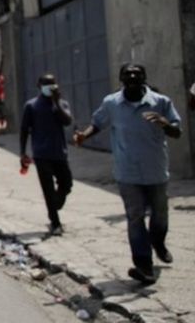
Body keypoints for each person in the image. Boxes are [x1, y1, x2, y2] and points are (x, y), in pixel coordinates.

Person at [73, 64, 183, 285]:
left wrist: (164, 123)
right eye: (128, 73)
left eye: (137, 73)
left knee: (160, 216)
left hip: (156, 171)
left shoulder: (160, 102)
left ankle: (158, 243)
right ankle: (144, 266)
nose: (132, 76)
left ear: (144, 77)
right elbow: (97, 123)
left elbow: (177, 131)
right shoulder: (112, 103)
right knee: (135, 217)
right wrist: (84, 135)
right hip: (127, 172)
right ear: (121, 78)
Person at [20, 74, 74, 237]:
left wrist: (56, 102)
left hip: (59, 152)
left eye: (52, 84)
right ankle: (55, 222)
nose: (49, 87)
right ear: (39, 85)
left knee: (66, 184)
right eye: (46, 84)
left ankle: (55, 205)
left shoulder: (62, 104)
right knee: (48, 189)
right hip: (41, 154)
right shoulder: (31, 106)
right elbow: (24, 130)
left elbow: (67, 121)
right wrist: (23, 152)